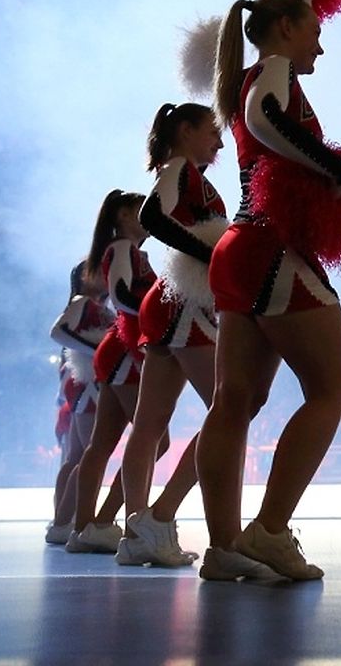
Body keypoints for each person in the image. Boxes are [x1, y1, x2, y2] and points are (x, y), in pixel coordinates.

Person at [197, 0, 341, 582]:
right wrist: (333, 166)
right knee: (334, 389)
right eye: (314, 27)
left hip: (236, 249)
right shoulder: (272, 72)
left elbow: (258, 119)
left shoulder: (243, 74)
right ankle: (268, 531)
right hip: (271, 245)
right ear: (285, 28)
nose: (321, 42)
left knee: (233, 401)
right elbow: (267, 119)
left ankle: (224, 547)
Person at [117, 102, 226, 566]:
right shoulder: (180, 169)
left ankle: (138, 531)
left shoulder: (181, 170)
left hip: (169, 304)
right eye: (212, 132)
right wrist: (205, 254)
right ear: (186, 131)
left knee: (147, 427)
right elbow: (153, 217)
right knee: (231, 409)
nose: (219, 143)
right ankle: (158, 519)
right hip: (183, 304)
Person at [67, 190, 163, 554]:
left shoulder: (122, 250)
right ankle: (105, 522)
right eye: (141, 210)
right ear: (124, 214)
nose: (150, 216)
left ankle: (88, 527)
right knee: (154, 437)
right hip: (127, 347)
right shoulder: (123, 249)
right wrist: (158, 315)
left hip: (121, 347)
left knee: (102, 444)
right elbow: (122, 295)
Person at [46, 261, 114, 544]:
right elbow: (58, 332)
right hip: (88, 384)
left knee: (76, 456)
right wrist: (99, 351)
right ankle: (66, 521)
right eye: (99, 271)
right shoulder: (83, 303)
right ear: (85, 278)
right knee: (88, 455)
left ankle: (63, 520)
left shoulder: (94, 306)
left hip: (83, 384)